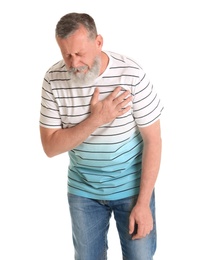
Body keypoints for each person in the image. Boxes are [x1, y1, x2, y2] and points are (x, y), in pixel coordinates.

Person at [39, 12, 163, 260]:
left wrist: (143, 203)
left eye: (80, 53)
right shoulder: (53, 79)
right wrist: (97, 119)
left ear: (98, 42)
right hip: (83, 192)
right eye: (67, 55)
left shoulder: (131, 74)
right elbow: (50, 147)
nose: (73, 63)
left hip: (131, 189)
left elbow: (154, 140)